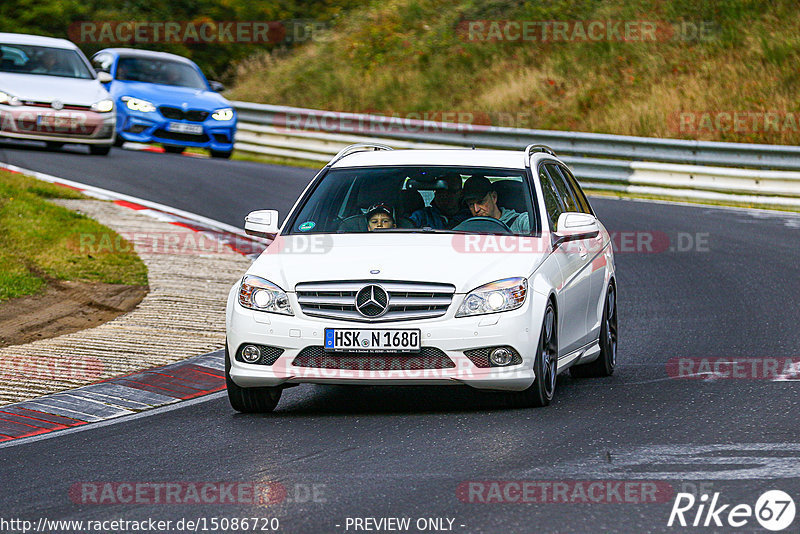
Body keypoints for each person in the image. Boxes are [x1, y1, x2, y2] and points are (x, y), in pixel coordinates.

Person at [461, 175, 531, 233]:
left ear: (494, 197)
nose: (476, 210)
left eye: (481, 202)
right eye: (471, 204)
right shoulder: (465, 227)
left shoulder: (519, 222)